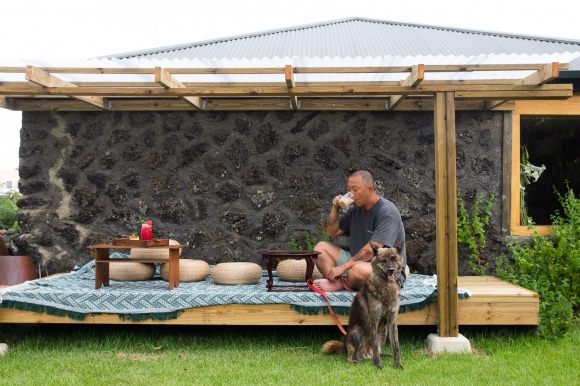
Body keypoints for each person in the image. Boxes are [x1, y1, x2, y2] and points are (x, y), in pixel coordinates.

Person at [312, 170, 407, 292]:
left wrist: (343, 267)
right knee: (320, 249)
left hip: (386, 267)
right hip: (357, 262)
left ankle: (342, 284)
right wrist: (335, 208)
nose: (351, 194)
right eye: (349, 190)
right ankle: (337, 280)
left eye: (355, 190)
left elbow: (373, 249)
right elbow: (331, 232)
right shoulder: (355, 210)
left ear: (370, 189)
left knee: (357, 271)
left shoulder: (387, 212)